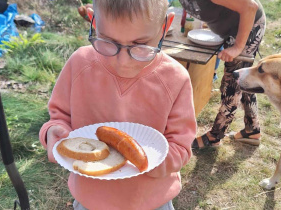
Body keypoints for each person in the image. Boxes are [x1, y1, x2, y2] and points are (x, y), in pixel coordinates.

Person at [39, 0, 197, 209]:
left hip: (151, 202)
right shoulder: (79, 64)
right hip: (90, 200)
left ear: (165, 27)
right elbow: (58, 118)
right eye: (108, 41)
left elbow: (181, 147)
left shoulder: (176, 79)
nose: (123, 62)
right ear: (94, 20)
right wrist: (52, 132)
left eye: (140, 44)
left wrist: (150, 161)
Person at [178, 0, 266, 149]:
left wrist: (238, 47)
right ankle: (252, 129)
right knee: (243, 82)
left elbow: (250, 7)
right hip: (232, 27)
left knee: (232, 85)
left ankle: (215, 137)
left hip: (247, 26)